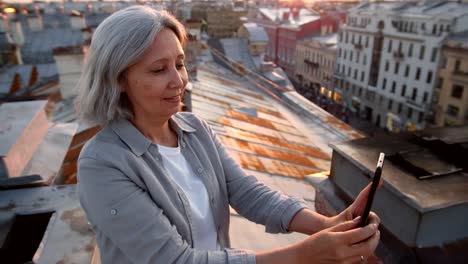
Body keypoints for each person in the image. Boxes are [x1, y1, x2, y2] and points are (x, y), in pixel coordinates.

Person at [76, 5, 380, 264]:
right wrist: (306, 255)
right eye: (159, 70)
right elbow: (173, 260)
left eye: (180, 64)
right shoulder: (102, 163)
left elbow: (248, 193)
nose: (178, 81)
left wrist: (327, 225)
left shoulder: (195, 130)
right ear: (119, 80)